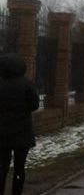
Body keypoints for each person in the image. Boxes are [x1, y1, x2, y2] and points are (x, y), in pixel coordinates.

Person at [0, 53, 40, 195]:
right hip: (22, 134)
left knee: (1, 167)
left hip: (2, 134)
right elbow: (35, 105)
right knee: (19, 167)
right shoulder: (27, 84)